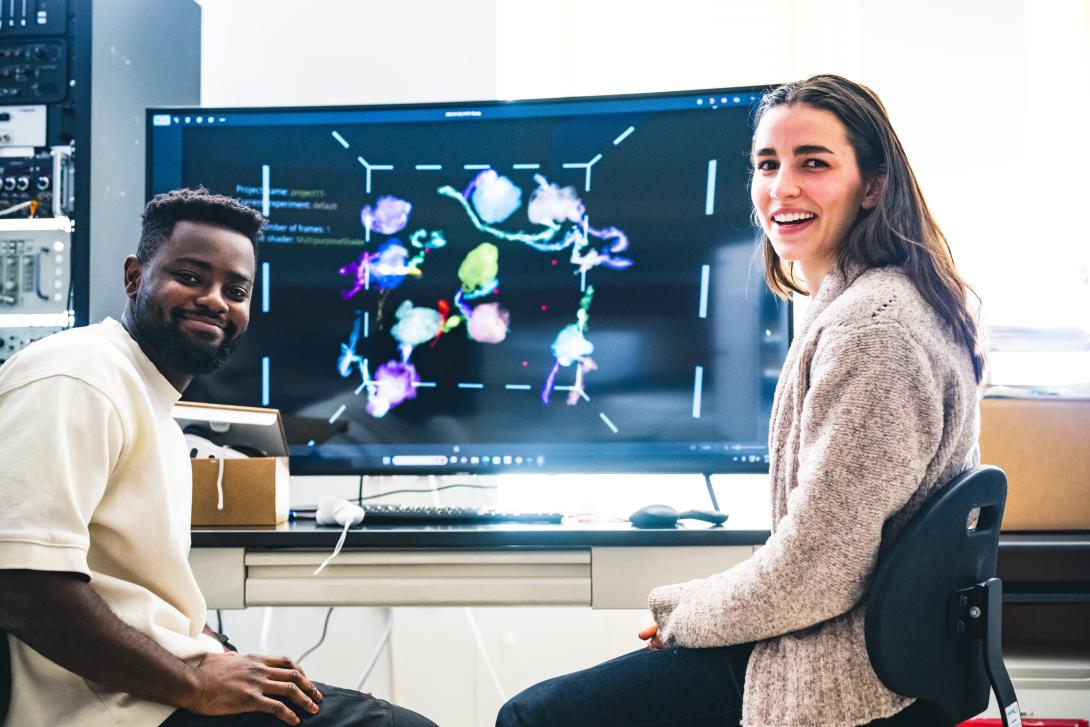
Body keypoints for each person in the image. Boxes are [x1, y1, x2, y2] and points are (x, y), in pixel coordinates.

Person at [496, 74, 986, 727]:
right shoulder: (871, 300)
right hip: (879, 650)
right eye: (766, 164)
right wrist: (702, 611)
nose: (782, 186)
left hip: (849, 672)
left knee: (531, 717)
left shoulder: (873, 330)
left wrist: (683, 614)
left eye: (813, 162)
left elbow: (818, 572)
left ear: (873, 184)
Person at [0, 188, 437, 727]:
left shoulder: (147, 396)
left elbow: (131, 586)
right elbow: (22, 585)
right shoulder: (77, 376)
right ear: (135, 276)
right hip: (113, 709)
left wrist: (218, 654)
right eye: (190, 277)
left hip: (149, 689)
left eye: (236, 289)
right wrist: (196, 683)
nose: (215, 300)